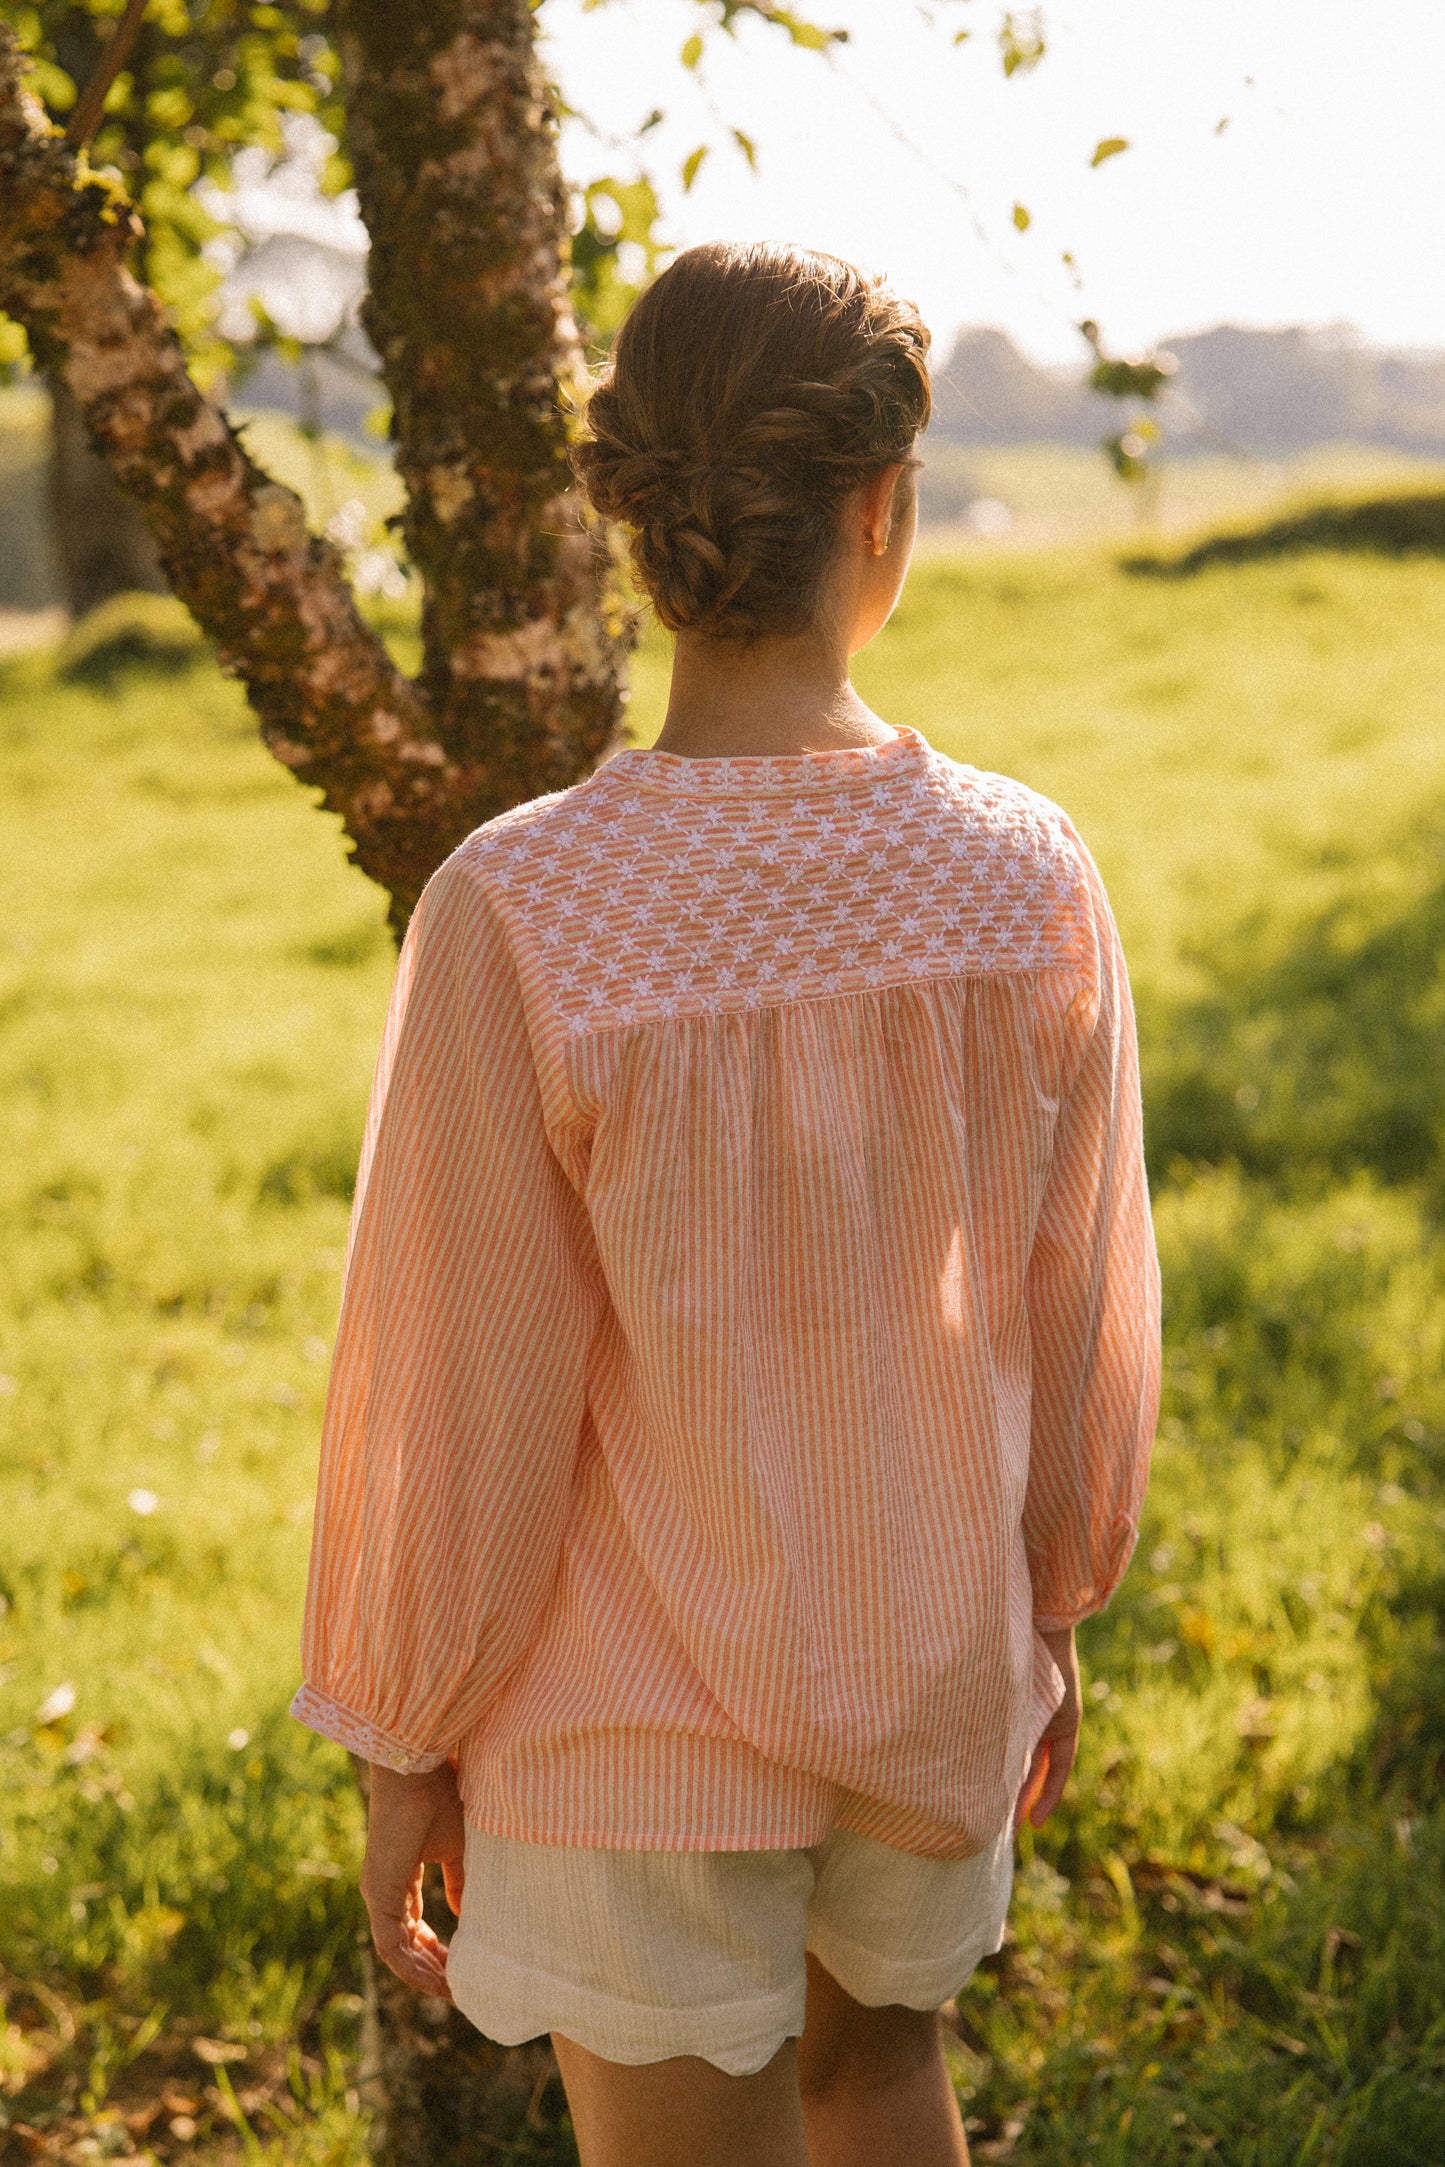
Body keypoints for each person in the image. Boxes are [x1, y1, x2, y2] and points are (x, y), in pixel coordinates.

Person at [291, 241, 1161, 2167]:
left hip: (629, 1734)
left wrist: (401, 1732)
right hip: (932, 1656)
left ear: (646, 528)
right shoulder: (1023, 875)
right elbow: (1076, 1300)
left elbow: (466, 1380)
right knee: (879, 2079)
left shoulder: (520, 908)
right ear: (881, 510)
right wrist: (1045, 1608)